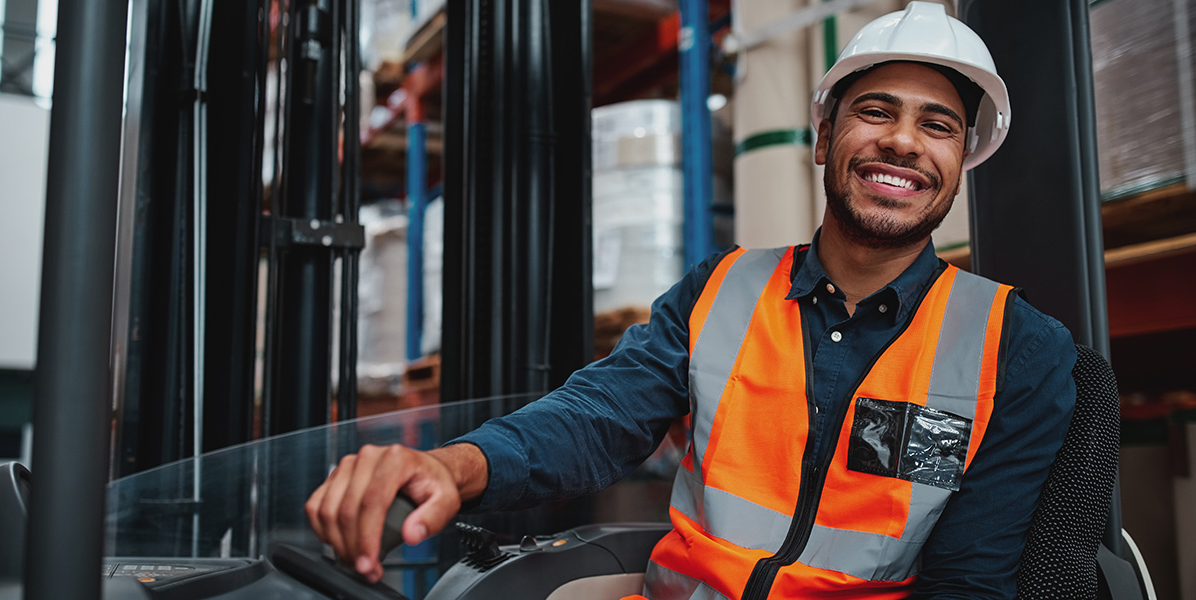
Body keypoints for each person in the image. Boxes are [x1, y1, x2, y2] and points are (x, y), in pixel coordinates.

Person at [305, 3, 1076, 598]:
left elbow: (969, 582)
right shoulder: (723, 290)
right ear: (823, 136)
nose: (904, 142)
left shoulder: (1017, 347)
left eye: (937, 125)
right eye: (875, 110)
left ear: (960, 160)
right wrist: (454, 465)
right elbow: (596, 419)